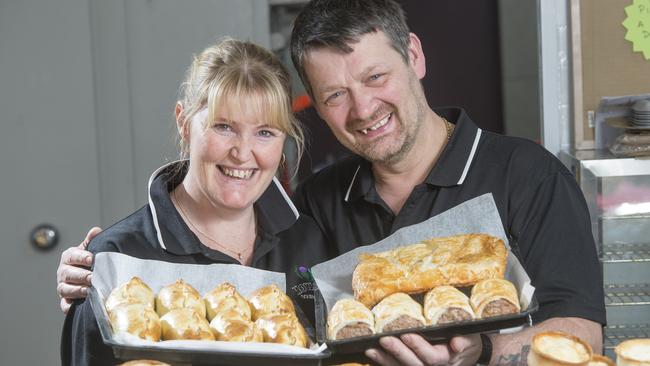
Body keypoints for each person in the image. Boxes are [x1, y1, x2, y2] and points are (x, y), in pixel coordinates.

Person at [58, 0, 606, 364]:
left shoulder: (527, 177)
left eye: (375, 76)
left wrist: (481, 351)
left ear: (413, 55)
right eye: (335, 95)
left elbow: (583, 338)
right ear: (315, 107)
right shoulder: (318, 205)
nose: (363, 107)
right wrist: (103, 276)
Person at [60, 38, 332, 365]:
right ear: (184, 123)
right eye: (223, 127)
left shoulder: (309, 241)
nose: (243, 153)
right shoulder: (118, 259)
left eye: (265, 132)